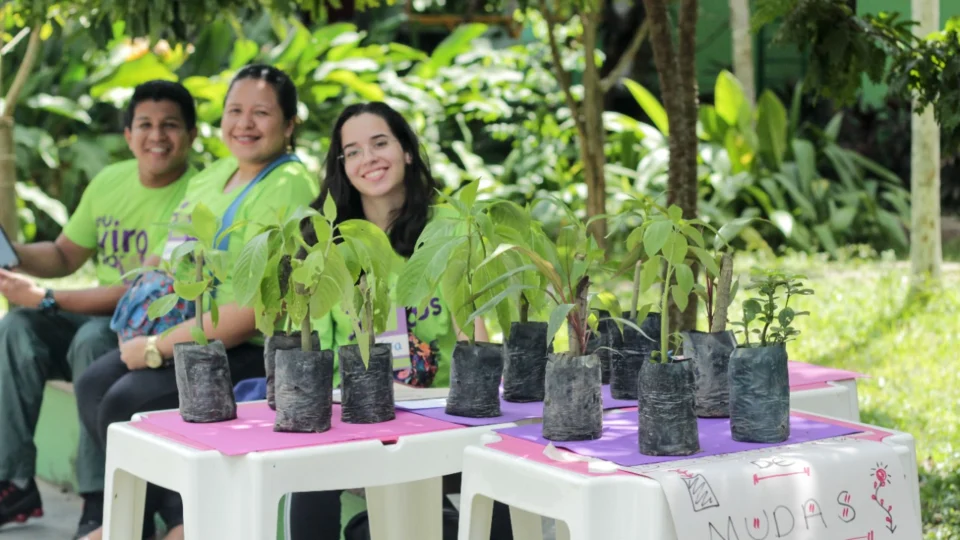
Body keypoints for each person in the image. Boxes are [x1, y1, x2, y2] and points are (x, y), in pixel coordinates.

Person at [74, 64, 319, 540]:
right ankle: (148, 525)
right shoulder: (217, 173)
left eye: (261, 113)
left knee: (125, 401)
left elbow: (252, 312)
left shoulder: (289, 185)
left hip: (248, 345)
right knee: (92, 385)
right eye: (235, 111)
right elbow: (171, 255)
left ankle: (170, 524)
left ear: (289, 125)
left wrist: (156, 346)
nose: (244, 124)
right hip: (194, 331)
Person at [284, 102, 512, 540]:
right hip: (351, 422)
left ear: (407, 151)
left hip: (438, 418)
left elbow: (479, 354)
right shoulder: (325, 244)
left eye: (380, 143)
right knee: (306, 478)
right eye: (352, 151)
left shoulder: (450, 231)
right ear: (342, 167)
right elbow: (312, 360)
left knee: (503, 478)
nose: (368, 158)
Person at [0, 80, 198, 537]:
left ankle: (99, 500)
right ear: (128, 134)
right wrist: (12, 255)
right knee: (16, 327)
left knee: (92, 338)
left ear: (190, 133)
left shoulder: (197, 192)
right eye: (144, 125)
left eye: (170, 125)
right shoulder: (110, 180)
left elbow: (144, 288)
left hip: (146, 325)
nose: (157, 136)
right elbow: (67, 255)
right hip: (97, 312)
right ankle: (13, 480)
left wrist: (46, 297)